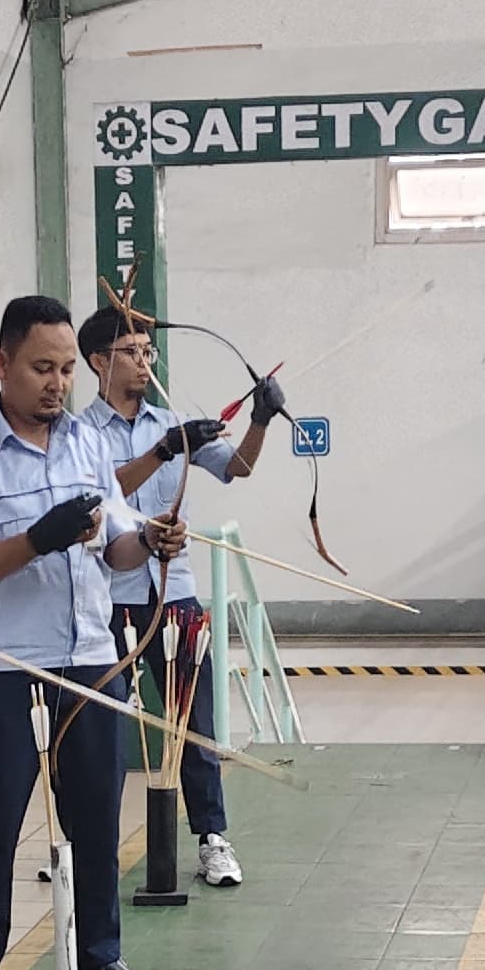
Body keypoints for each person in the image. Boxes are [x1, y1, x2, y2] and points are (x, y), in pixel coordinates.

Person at [0, 293, 160, 970]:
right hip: (1, 668)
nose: (58, 383)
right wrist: (36, 539)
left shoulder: (91, 446)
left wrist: (149, 540)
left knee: (95, 820)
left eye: (64, 369)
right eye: (41, 368)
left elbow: (117, 545)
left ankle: (98, 956)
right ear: (2, 365)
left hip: (91, 658)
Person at [78, 305, 279, 887]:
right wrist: (165, 450)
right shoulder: (79, 435)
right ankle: (86, 841)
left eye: (149, 351)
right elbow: (100, 492)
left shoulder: (172, 421)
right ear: (98, 362)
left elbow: (236, 465)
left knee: (194, 720)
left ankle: (213, 837)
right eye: (131, 352)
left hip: (175, 594)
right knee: (100, 726)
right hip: (107, 599)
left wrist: (261, 418)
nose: (144, 361)